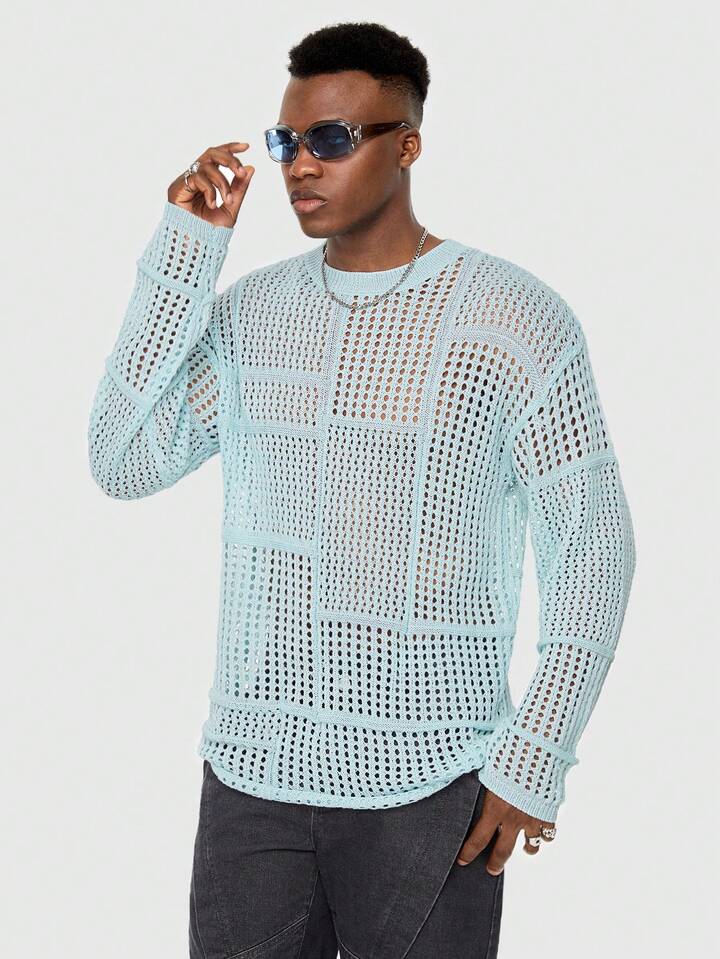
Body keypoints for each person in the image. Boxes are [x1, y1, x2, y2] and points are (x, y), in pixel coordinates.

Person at [87, 20, 636, 959]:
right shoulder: (253, 315)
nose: (301, 164)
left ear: (407, 145)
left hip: (435, 780)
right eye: (287, 140)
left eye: (333, 138)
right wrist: (186, 253)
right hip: (253, 778)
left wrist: (534, 758)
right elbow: (122, 458)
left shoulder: (514, 320)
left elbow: (593, 548)